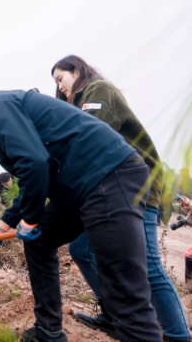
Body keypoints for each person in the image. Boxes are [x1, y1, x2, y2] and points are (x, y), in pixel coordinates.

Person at [0, 89, 162, 342]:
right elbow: (34, 173)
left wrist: (31, 219)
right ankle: (49, 331)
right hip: (81, 188)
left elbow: (34, 163)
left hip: (108, 175)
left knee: (123, 288)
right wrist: (5, 223)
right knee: (39, 239)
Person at [52, 55, 189, 342]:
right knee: (81, 249)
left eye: (60, 79)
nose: (59, 86)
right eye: (55, 83)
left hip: (138, 184)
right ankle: (114, 315)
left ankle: (179, 336)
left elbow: (87, 139)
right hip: (111, 189)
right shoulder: (79, 103)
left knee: (149, 265)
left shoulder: (98, 91)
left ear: (76, 70)